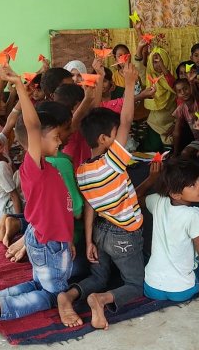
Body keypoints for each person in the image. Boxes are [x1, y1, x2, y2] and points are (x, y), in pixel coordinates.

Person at [0, 66, 74, 338]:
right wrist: (20, 87)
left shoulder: (46, 166)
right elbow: (32, 125)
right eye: (55, 137)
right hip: (48, 243)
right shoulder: (35, 167)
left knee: (38, 284)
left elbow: (59, 211)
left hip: (48, 240)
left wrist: (67, 240)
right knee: (52, 296)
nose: (60, 141)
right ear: (36, 141)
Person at [57, 63, 150, 330]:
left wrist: (89, 241)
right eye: (114, 134)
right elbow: (127, 120)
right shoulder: (113, 161)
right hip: (124, 236)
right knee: (136, 283)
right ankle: (101, 300)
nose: (119, 137)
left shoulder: (83, 170)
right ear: (103, 139)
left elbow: (89, 206)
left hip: (99, 233)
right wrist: (129, 84)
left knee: (99, 277)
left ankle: (69, 295)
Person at [144, 157, 199, 309]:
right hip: (182, 291)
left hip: (151, 287)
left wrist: (150, 180)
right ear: (176, 194)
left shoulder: (158, 201)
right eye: (192, 185)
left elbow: (135, 198)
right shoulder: (192, 215)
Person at [144, 47, 176, 150]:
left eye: (161, 61)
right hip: (154, 124)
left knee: (168, 152)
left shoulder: (174, 78)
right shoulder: (150, 78)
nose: (158, 65)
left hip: (171, 124)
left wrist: (163, 68)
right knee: (152, 150)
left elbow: (173, 86)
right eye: (155, 62)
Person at [172, 78, 199, 158]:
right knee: (184, 153)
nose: (183, 93)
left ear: (190, 87)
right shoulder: (181, 108)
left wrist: (192, 82)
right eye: (179, 91)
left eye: (185, 89)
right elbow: (176, 132)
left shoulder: (198, 100)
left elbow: (195, 94)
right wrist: (174, 154)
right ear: (177, 94)